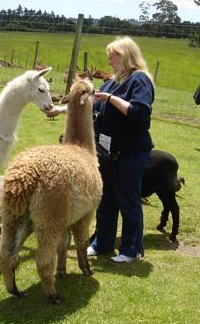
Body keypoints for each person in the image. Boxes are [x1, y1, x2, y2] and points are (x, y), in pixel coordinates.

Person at [45, 37, 154, 263]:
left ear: (127, 56)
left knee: (129, 201)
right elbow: (90, 106)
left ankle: (131, 249)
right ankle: (102, 243)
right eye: (109, 55)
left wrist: (112, 99)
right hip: (107, 153)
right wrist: (61, 109)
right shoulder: (111, 82)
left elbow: (139, 113)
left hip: (130, 153)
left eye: (113, 55)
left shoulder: (139, 80)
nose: (109, 59)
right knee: (106, 200)